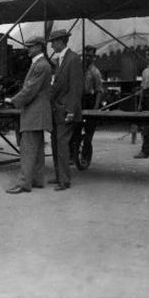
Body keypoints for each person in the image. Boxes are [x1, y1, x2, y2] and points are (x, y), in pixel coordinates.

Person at [4, 37, 52, 194]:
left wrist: (13, 100)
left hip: (34, 112)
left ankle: (24, 183)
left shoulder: (41, 65)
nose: (28, 49)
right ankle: (37, 180)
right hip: (38, 112)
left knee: (28, 149)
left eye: (31, 47)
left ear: (39, 47)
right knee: (37, 149)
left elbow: (30, 89)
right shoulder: (40, 64)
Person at [47, 29, 82, 191]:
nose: (52, 45)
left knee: (62, 146)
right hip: (57, 110)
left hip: (65, 111)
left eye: (53, 42)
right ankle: (59, 176)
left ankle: (64, 180)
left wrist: (71, 111)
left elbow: (75, 87)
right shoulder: (60, 60)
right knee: (56, 144)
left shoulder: (73, 59)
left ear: (61, 41)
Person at [71, 46, 103, 160]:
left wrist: (95, 109)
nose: (87, 58)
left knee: (89, 132)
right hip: (80, 100)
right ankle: (73, 155)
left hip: (91, 100)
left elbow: (99, 91)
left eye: (90, 56)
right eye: (85, 55)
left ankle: (85, 156)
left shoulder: (95, 72)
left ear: (94, 57)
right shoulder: (79, 69)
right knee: (76, 129)